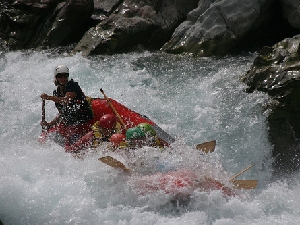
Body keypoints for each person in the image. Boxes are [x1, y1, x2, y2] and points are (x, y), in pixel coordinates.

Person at [40, 65, 94, 145]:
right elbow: (62, 113)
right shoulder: (57, 92)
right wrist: (50, 124)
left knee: (72, 141)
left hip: (83, 122)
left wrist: (49, 98)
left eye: (65, 75)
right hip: (72, 124)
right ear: (56, 77)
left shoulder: (72, 86)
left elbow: (66, 101)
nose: (63, 78)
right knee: (53, 138)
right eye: (60, 76)